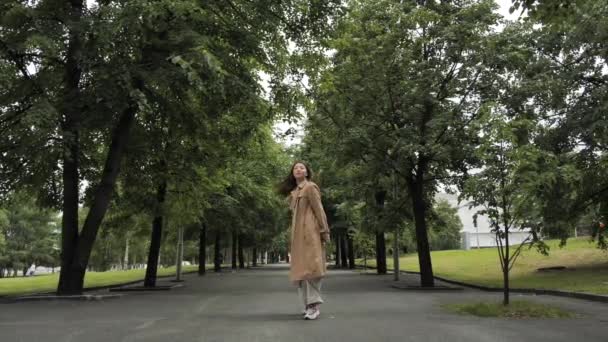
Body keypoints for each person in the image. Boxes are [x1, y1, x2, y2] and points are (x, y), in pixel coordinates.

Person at [278, 161, 331, 320]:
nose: (298, 169)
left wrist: (324, 230)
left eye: (302, 167)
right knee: (301, 271)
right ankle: (307, 305)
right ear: (293, 173)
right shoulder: (295, 192)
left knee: (311, 270)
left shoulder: (310, 187)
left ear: (307, 172)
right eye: (295, 168)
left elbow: (319, 210)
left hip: (311, 233)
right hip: (298, 236)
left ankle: (313, 306)